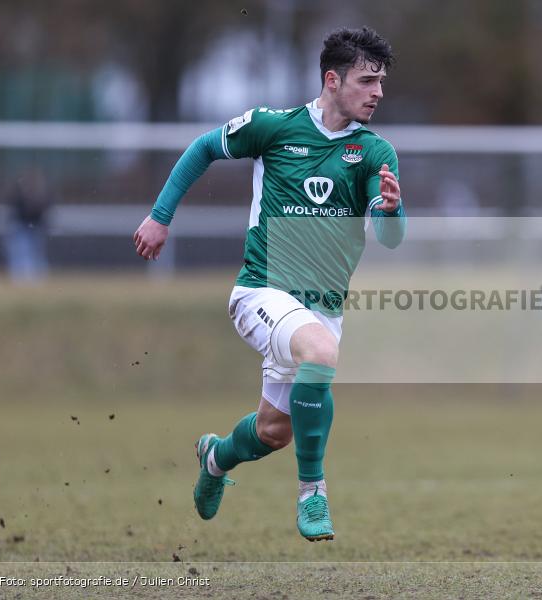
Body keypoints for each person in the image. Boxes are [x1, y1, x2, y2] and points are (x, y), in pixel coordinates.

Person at [132, 26, 405, 542]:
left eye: (382, 83)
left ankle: (215, 458)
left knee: (273, 432)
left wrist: (390, 209)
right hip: (261, 291)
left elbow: (390, 237)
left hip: (320, 309)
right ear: (332, 79)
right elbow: (203, 148)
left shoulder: (374, 153)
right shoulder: (274, 127)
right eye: (368, 81)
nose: (378, 93)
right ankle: (313, 493)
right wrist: (160, 216)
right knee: (320, 353)